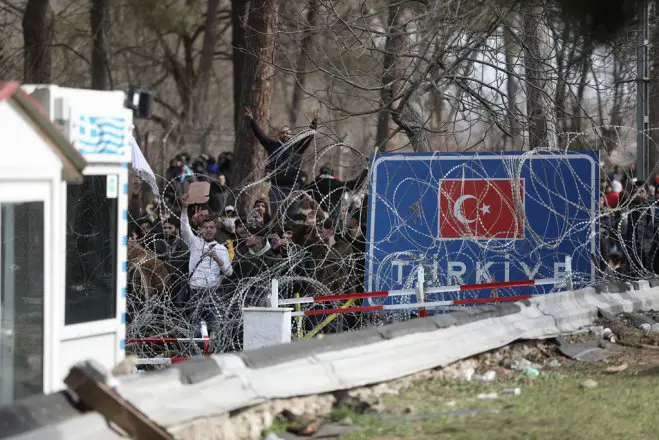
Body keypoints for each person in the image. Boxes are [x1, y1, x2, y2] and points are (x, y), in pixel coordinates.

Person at [244, 107, 318, 218]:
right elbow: (260, 135)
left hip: (293, 189)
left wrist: (314, 123)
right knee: (276, 217)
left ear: (292, 136)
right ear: (279, 135)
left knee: (291, 216)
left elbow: (308, 137)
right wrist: (252, 120)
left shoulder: (297, 148)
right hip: (276, 188)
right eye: (283, 133)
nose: (286, 135)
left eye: (288, 133)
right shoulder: (272, 146)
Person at [179, 194, 233, 337]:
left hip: (213, 293)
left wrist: (218, 260)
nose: (209, 230)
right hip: (195, 292)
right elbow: (184, 228)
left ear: (215, 230)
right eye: (205, 227)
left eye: (211, 227)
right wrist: (184, 208)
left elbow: (229, 272)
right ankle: (197, 354)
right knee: (195, 329)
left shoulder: (221, 249)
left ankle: (214, 353)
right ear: (200, 229)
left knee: (215, 328)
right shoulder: (194, 242)